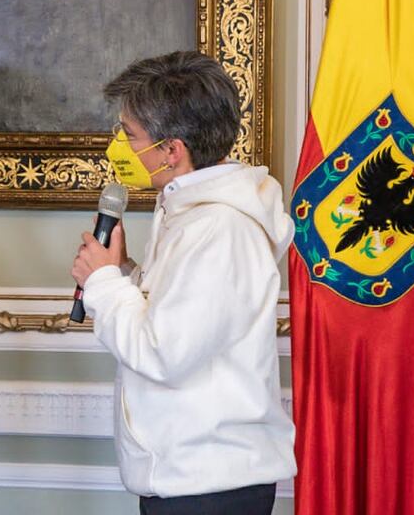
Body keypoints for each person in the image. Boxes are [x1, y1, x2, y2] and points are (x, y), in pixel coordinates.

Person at [71, 51, 295, 515]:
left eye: (130, 135)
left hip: (208, 486)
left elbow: (163, 352)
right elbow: (183, 318)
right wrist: (126, 272)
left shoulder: (220, 228)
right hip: (190, 477)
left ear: (171, 151)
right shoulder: (191, 212)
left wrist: (106, 285)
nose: (119, 146)